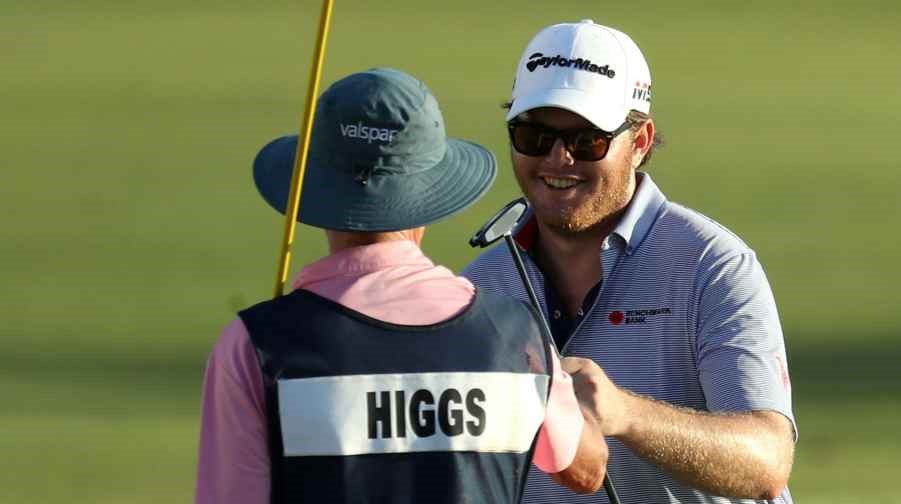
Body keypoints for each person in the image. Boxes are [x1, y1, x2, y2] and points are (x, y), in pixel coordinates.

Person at [194, 67, 608, 504]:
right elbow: (585, 468)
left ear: (315, 183)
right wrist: (566, 386)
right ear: (430, 190)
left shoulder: (254, 346)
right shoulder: (517, 336)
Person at [463, 20, 797, 504]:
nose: (558, 159)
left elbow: (766, 463)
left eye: (586, 140)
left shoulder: (711, 265)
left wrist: (624, 413)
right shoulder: (482, 287)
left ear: (639, 142)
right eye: (534, 135)